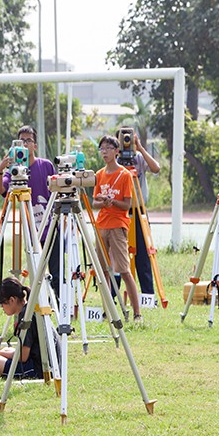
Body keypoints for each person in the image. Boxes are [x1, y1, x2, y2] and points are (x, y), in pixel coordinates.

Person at [0, 125, 59, 297]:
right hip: (31, 231)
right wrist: (1, 170)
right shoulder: (13, 171)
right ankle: (38, 304)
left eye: (28, 140)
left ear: (35, 145)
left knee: (56, 273)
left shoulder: (46, 166)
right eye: (21, 141)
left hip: (51, 227)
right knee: (36, 273)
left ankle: (60, 305)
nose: (25, 144)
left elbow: (57, 192)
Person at [92, 134, 143, 323]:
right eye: (102, 149)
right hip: (101, 225)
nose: (104, 152)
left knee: (123, 269)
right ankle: (106, 310)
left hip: (118, 225)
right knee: (103, 270)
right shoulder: (99, 175)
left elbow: (128, 205)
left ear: (116, 151)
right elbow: (94, 202)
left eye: (108, 148)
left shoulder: (125, 175)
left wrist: (112, 202)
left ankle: (137, 313)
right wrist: (103, 203)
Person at [119, 130, 160, 296]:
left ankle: (148, 295)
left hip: (138, 210)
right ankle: (113, 295)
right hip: (121, 210)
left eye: (129, 138)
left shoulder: (139, 159)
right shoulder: (115, 162)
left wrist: (141, 148)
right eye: (124, 138)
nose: (127, 141)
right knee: (118, 255)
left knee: (143, 253)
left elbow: (156, 169)